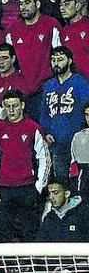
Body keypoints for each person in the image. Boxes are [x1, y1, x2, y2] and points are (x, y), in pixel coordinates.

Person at [0, 89, 50, 243]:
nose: (12, 110)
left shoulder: (33, 128)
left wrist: (39, 187)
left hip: (28, 188)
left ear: (22, 105)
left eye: (15, 105)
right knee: (3, 235)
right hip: (3, 189)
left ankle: (32, 266)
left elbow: (44, 159)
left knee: (30, 233)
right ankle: (7, 267)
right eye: (8, 106)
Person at [38, 46, 89, 178]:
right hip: (56, 144)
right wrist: (46, 131)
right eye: (53, 60)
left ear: (70, 60)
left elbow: (87, 109)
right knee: (61, 184)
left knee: (79, 183)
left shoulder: (80, 82)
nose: (56, 63)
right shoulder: (48, 85)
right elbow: (44, 112)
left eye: (60, 59)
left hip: (78, 142)